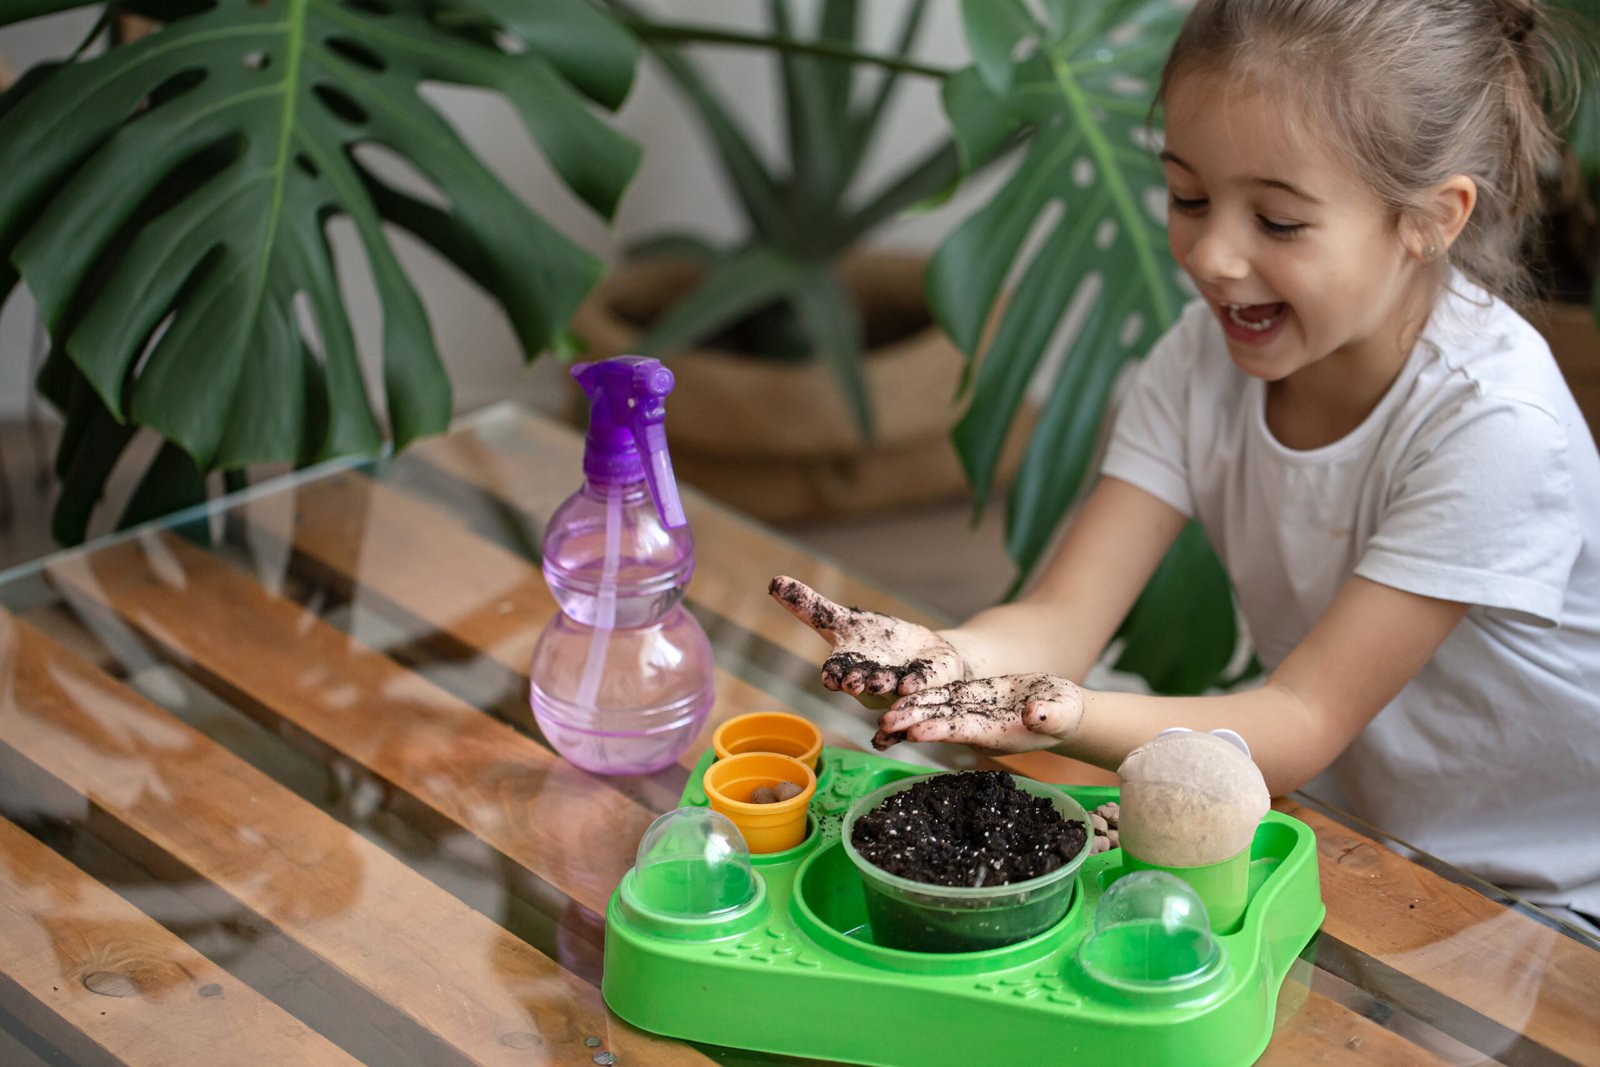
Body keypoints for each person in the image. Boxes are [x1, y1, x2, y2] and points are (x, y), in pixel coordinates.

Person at [769, 0, 1600, 933]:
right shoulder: (1202, 360)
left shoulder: (1493, 425)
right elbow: (1062, 616)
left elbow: (1299, 716)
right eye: (1188, 196)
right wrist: (952, 661)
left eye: (1278, 221)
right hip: (1352, 840)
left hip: (1547, 898)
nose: (1210, 255)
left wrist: (1058, 712)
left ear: (1429, 221)